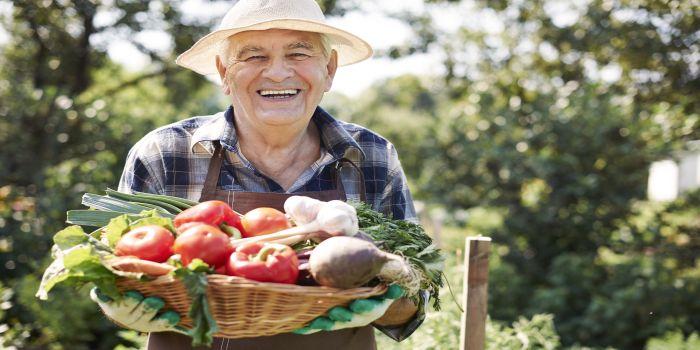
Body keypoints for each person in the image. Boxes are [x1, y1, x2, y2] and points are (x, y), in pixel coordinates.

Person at [111, 0, 425, 348]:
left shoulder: (373, 158)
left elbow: (414, 302)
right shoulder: (164, 154)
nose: (277, 73)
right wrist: (121, 306)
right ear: (223, 73)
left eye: (298, 53)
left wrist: (383, 299)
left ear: (330, 69)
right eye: (254, 56)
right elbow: (119, 279)